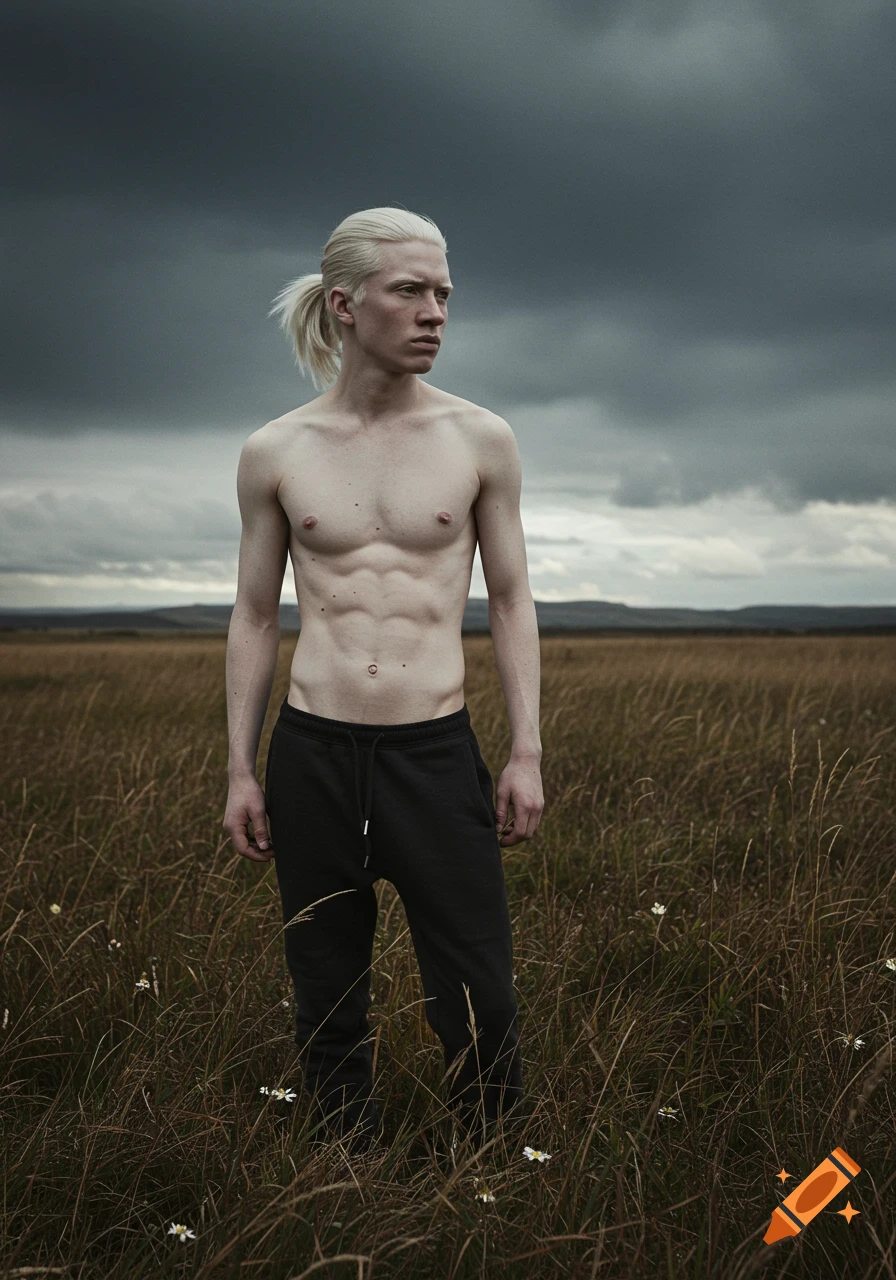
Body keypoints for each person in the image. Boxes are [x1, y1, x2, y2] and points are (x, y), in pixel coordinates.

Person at [222, 206, 543, 1157]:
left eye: (444, 293)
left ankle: (492, 1168)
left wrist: (525, 750)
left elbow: (515, 598)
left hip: (433, 751)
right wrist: (242, 769)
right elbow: (251, 614)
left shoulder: (481, 439)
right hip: (313, 750)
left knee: (478, 988)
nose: (435, 311)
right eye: (411, 291)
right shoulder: (275, 451)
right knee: (325, 984)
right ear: (345, 304)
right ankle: (339, 1169)